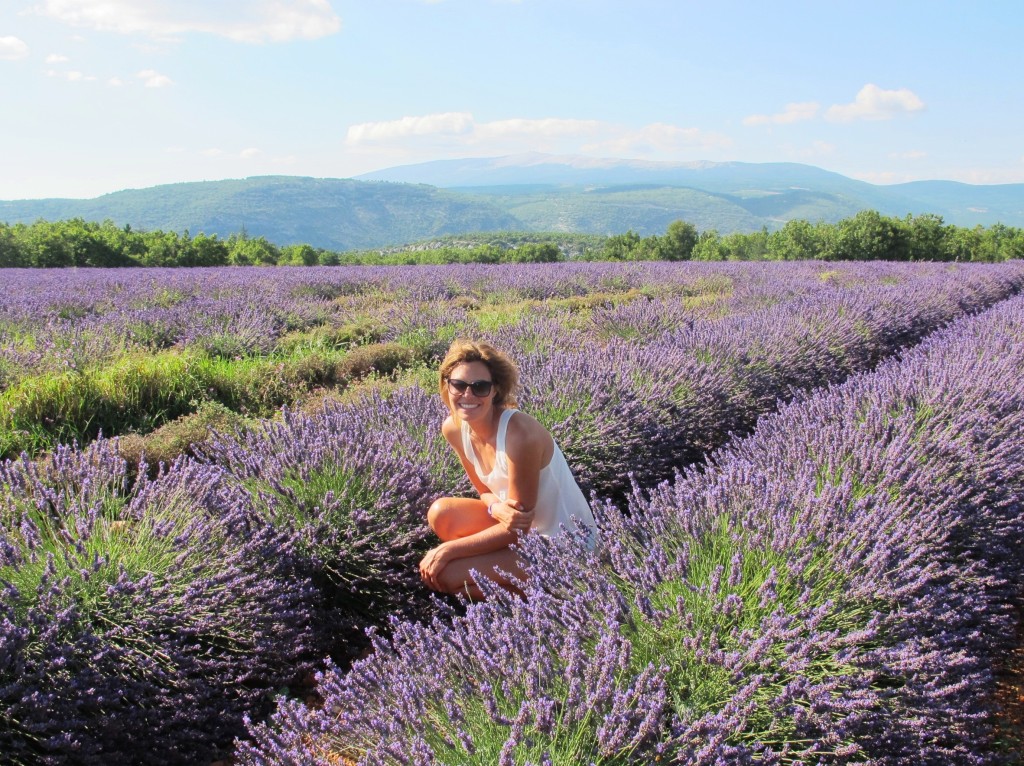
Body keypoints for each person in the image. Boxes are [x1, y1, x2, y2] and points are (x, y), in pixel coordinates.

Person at [419, 339, 598, 600]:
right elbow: (484, 491)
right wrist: (496, 507)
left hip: (562, 544)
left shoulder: (519, 434)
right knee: (441, 514)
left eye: (480, 387)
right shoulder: (454, 429)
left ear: (495, 391)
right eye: (458, 385)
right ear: (447, 385)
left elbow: (518, 528)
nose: (467, 395)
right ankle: (526, 585)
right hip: (519, 534)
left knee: (447, 575)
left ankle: (550, 598)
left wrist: (449, 550)